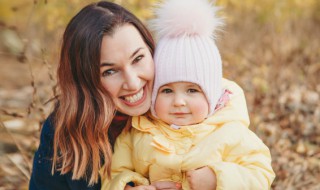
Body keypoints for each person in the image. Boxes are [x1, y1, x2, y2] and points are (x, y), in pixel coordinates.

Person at [29, 1, 218, 190]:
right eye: (110, 71)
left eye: (138, 59)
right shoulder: (65, 132)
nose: (133, 83)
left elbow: (244, 164)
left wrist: (218, 179)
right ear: (86, 82)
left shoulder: (200, 103)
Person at [101, 0, 275, 189]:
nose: (178, 101)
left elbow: (260, 173)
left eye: (192, 90)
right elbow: (113, 174)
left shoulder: (230, 131)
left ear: (211, 95)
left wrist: (218, 179)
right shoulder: (137, 132)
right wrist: (129, 186)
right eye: (167, 90)